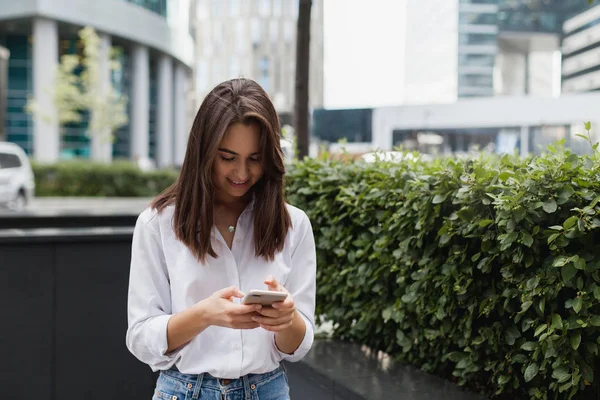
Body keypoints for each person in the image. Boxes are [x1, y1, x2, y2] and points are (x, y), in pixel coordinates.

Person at [126, 78, 317, 400]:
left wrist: (286, 320)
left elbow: (297, 346)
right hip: (183, 391)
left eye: (254, 158)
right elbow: (141, 337)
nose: (242, 173)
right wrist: (204, 315)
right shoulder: (157, 224)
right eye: (227, 157)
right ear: (204, 152)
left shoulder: (293, 225)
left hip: (267, 390)